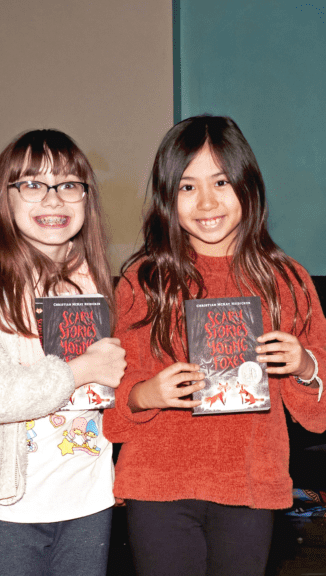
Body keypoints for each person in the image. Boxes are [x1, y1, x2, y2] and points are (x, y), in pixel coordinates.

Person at [103, 115, 326, 576]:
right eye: (187, 187)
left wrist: (303, 365)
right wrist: (148, 394)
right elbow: (109, 402)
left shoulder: (286, 281)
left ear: (248, 185)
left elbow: (318, 413)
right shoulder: (144, 281)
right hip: (158, 486)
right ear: (168, 196)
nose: (206, 201)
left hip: (249, 485)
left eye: (221, 181)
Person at [0, 129, 127, 576]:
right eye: (33, 184)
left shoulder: (96, 277)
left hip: (89, 499)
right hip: (6, 504)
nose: (53, 200)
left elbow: (114, 383)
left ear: (86, 197)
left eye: (69, 185)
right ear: (6, 196)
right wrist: (77, 372)